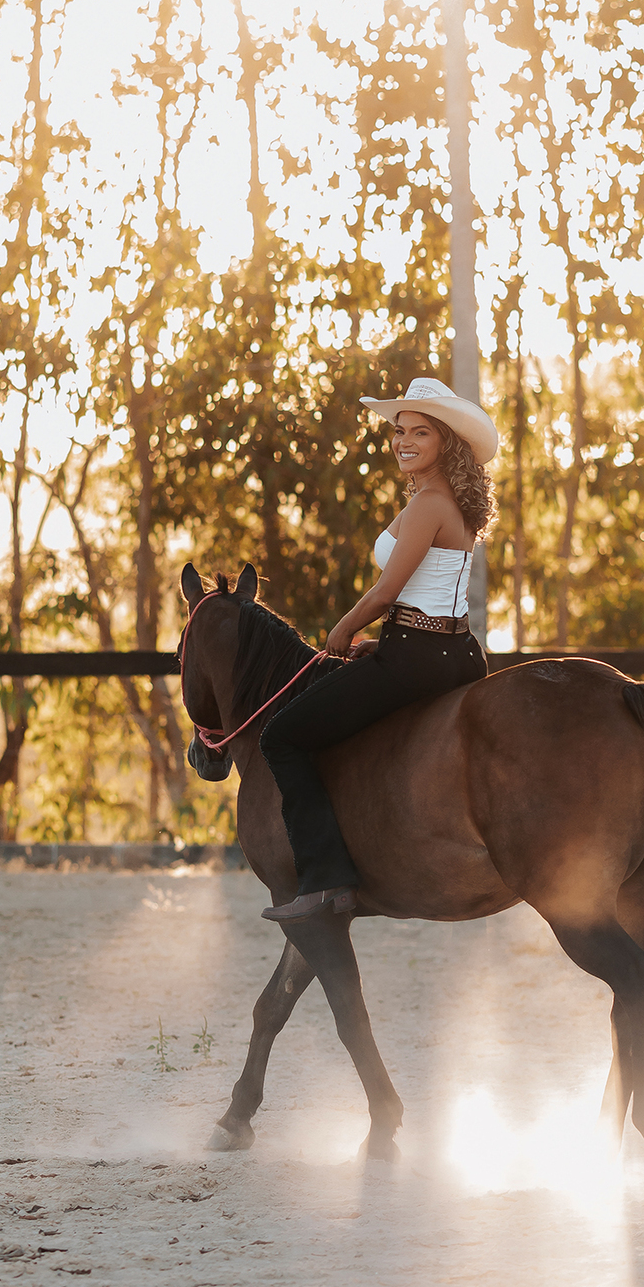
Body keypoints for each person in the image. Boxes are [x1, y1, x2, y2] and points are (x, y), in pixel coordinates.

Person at [259, 376, 499, 922]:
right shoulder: (439, 500)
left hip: (419, 657)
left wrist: (343, 630)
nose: (403, 441)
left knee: (281, 737)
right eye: (399, 431)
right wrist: (384, 640)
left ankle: (325, 880)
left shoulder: (429, 503)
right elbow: (424, 597)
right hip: (449, 649)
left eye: (420, 432)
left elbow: (388, 590)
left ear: (446, 443)